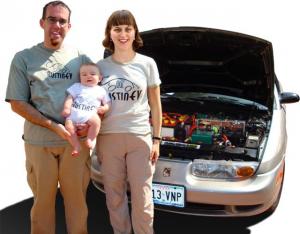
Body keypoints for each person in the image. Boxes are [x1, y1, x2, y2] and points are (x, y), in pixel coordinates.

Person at [5, 1, 92, 233]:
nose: (57, 25)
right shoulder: (23, 58)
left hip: (75, 144)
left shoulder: (81, 59)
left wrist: (89, 123)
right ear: (42, 22)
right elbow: (17, 103)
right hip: (39, 143)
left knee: (78, 207)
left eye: (62, 21)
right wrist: (54, 127)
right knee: (42, 208)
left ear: (69, 26)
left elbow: (96, 97)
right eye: (52, 19)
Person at [96, 10, 162, 234]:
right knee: (114, 198)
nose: (122, 34)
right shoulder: (100, 67)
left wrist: (157, 139)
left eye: (127, 29)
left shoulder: (147, 64)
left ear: (135, 33)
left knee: (143, 198)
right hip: (108, 139)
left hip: (139, 138)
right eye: (117, 29)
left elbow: (156, 104)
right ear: (110, 33)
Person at [61, 62, 110, 156]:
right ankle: (76, 145)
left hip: (89, 114)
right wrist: (66, 108)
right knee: (69, 128)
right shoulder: (77, 86)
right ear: (80, 78)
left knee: (96, 122)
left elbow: (108, 102)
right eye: (84, 74)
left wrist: (105, 108)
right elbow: (70, 98)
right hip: (74, 114)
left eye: (92, 74)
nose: (88, 76)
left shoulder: (100, 90)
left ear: (100, 78)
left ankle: (90, 139)